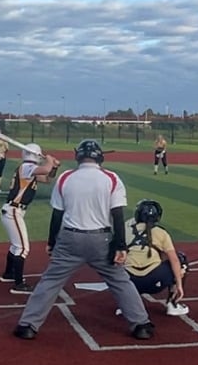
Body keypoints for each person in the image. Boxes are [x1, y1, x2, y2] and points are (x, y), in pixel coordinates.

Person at [13, 139, 153, 341]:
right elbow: (117, 215)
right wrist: (120, 246)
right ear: (100, 157)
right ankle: (141, 325)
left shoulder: (65, 178)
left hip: (70, 239)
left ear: (78, 156)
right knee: (120, 280)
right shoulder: (111, 178)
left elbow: (57, 215)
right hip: (101, 239)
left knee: (50, 281)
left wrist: (52, 242)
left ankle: (28, 325)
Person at [115, 199, 189, 316]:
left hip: (129, 283)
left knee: (117, 264)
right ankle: (173, 304)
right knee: (181, 260)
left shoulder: (126, 228)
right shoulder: (161, 233)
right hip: (155, 281)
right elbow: (174, 260)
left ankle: (126, 304)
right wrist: (179, 285)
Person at [0, 144, 56, 292]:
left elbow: (47, 179)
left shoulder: (28, 169)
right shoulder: (26, 167)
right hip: (13, 211)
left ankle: (8, 274)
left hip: (13, 211)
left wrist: (54, 167)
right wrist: (50, 160)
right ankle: (18, 284)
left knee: (16, 246)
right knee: (22, 247)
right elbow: (45, 169)